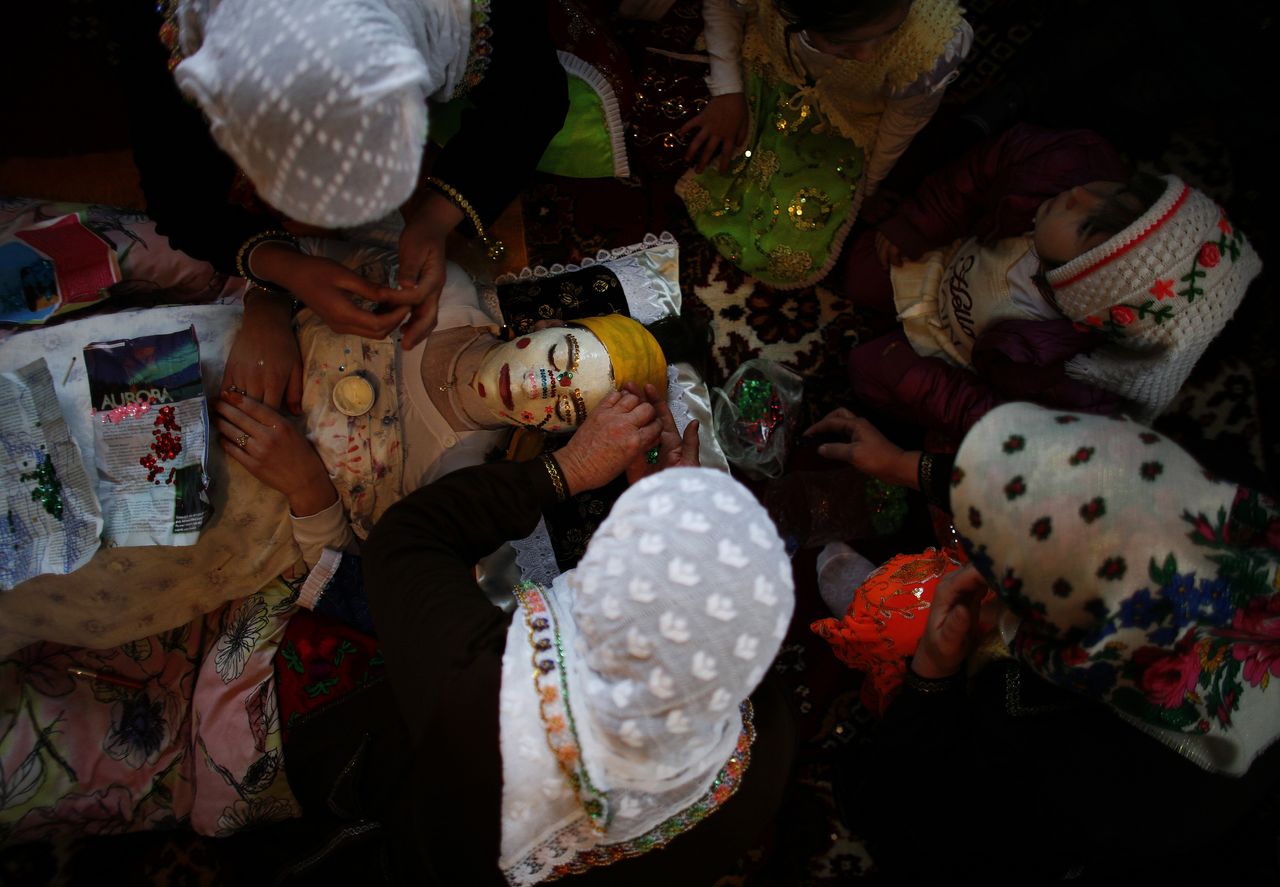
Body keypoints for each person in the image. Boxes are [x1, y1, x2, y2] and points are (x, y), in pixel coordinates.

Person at [1, 393, 799, 887]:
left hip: (257, 745)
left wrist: (567, 471)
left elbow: (404, 552)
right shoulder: (755, 761)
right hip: (292, 717)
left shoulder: (479, 696)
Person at [838, 402, 1280, 882]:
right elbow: (1081, 491)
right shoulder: (1240, 523)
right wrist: (904, 464)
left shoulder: (1077, 775)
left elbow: (907, 820)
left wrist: (931, 674)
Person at [111, 0, 568, 359]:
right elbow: (175, 195)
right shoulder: (170, 34)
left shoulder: (465, 15)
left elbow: (532, 98)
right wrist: (285, 270)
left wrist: (434, 219)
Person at [214, 239, 703, 566]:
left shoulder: (460, 480)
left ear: (558, 433)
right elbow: (301, 245)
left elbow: (359, 578)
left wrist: (308, 490)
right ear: (542, 327)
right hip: (201, 360)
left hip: (219, 526)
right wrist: (267, 304)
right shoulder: (439, 292)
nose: (533, 388)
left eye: (565, 407)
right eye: (557, 357)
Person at [841, 124, 1263, 438]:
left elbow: (996, 417)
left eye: (1085, 227)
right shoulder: (1068, 167)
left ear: (1078, 287)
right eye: (1114, 193)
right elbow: (981, 170)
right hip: (943, 265)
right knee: (858, 271)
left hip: (957, 359)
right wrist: (917, 222)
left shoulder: (1069, 378)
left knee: (870, 370)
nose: (1081, 196)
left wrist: (923, 384)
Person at [675, 0, 972, 287]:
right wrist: (728, 93)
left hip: (845, 124)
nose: (867, 56)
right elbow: (723, 7)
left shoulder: (929, 44)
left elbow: (902, 125)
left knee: (791, 249)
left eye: (890, 30)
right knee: (685, 142)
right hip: (765, 74)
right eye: (841, 41)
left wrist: (868, 187)